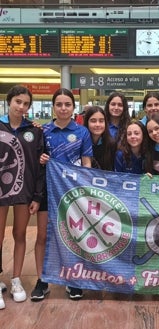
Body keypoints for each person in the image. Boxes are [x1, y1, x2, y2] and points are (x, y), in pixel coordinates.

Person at [31, 88, 93, 302]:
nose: (63, 108)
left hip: (73, 193)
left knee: (74, 236)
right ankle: (42, 280)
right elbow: (36, 159)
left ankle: (73, 279)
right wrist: (41, 160)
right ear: (53, 107)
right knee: (42, 235)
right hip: (48, 191)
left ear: (73, 108)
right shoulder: (43, 131)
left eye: (68, 104)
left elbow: (86, 163)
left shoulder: (82, 132)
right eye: (59, 104)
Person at [0, 85, 45, 308]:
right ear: (9, 101)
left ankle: (16, 279)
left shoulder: (35, 131)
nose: (21, 107)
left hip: (24, 191)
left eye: (26, 103)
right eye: (18, 101)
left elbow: (39, 166)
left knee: (20, 234)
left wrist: (37, 196)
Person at [83, 105, 116, 171]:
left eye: (101, 121)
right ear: (87, 122)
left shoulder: (112, 144)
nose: (97, 125)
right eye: (93, 121)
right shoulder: (81, 143)